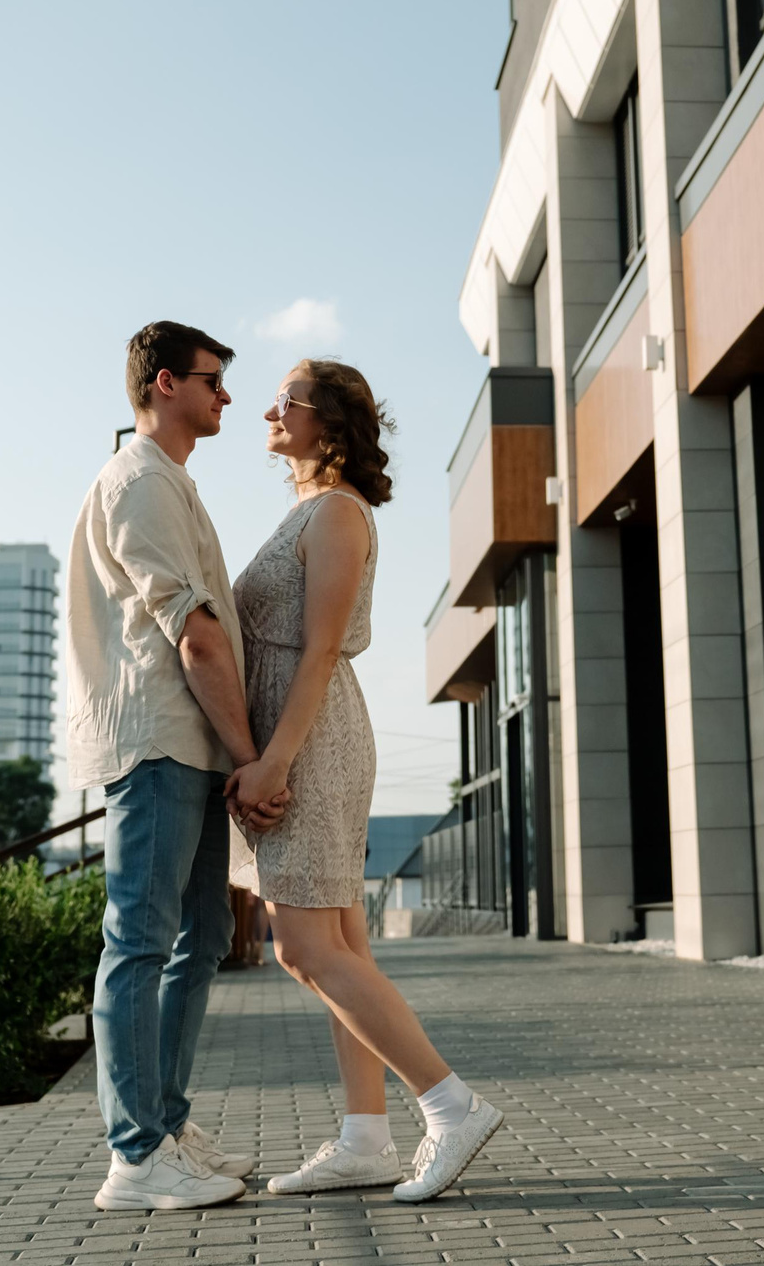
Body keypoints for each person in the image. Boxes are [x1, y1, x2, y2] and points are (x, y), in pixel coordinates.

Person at [226, 359, 505, 1202]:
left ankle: (451, 1107)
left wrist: (273, 757)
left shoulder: (340, 512)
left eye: (288, 401)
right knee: (339, 946)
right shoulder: (306, 508)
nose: (270, 410)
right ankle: (366, 1136)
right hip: (301, 734)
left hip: (313, 739)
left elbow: (320, 650)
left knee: (306, 948)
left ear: (330, 425)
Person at [68, 321, 289, 1211]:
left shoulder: (173, 481)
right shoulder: (138, 483)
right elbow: (195, 636)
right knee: (141, 943)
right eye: (213, 381)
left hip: (191, 748)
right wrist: (254, 759)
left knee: (200, 941)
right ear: (165, 384)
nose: (227, 396)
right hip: (161, 743)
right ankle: (134, 1157)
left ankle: (163, 1123)